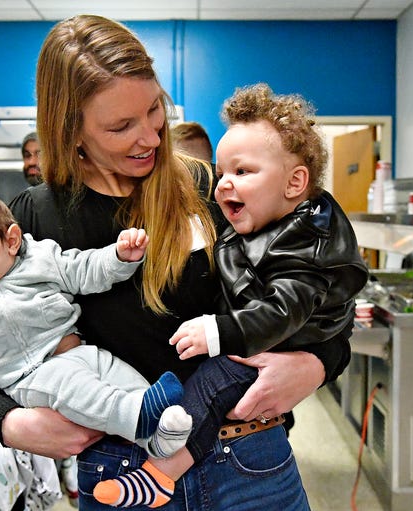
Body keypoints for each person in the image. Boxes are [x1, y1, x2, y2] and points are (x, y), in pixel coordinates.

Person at [0, 15, 354, 511]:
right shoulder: (32, 220)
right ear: (70, 130)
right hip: (121, 470)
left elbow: (318, 290)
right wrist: (9, 422)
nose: (152, 138)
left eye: (154, 110)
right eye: (121, 126)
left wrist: (316, 364)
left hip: (249, 457)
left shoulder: (213, 190)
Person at [92, 83, 369, 507]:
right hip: (121, 442)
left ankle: (161, 473)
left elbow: (283, 311)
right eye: (221, 173)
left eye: (241, 172)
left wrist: (219, 331)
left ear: (295, 181)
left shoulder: (304, 240)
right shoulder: (265, 219)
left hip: (257, 375)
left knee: (209, 386)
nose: (221, 185)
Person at [0, 190, 193, 465]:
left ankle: (157, 439)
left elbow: (82, 269)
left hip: (84, 352)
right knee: (80, 389)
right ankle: (137, 416)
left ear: (11, 241)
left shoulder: (40, 260)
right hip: (31, 378)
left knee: (126, 380)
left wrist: (118, 257)